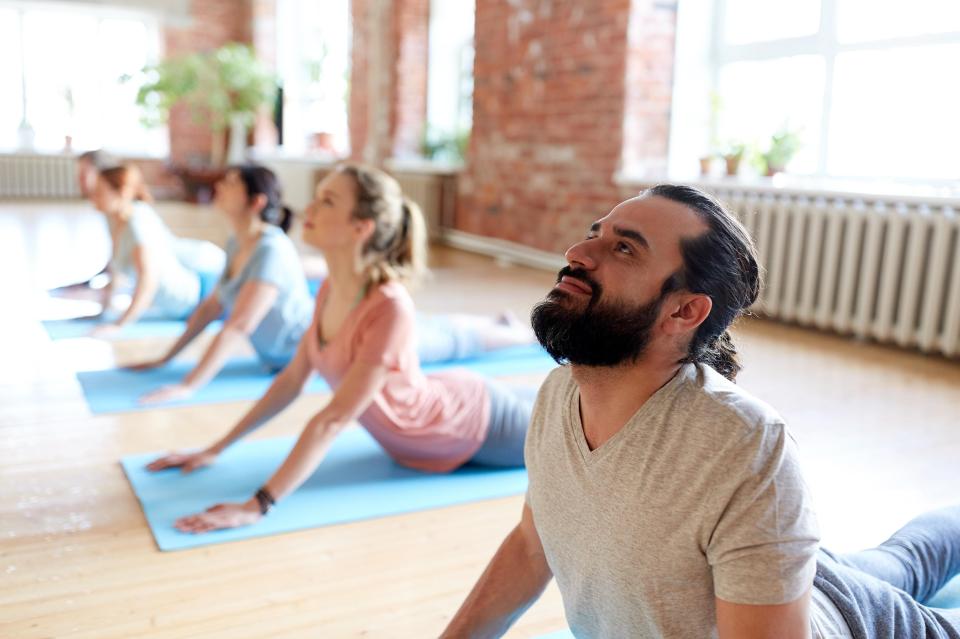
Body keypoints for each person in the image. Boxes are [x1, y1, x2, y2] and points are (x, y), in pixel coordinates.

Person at [441, 185, 960, 638]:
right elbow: (534, 544)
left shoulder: (743, 444)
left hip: (856, 620)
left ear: (685, 311)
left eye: (623, 248)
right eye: (594, 234)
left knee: (904, 571)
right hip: (779, 575)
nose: (577, 252)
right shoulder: (560, 394)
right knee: (907, 559)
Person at [146, 163, 535, 532]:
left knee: (586, 431)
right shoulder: (331, 289)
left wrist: (258, 504)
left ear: (360, 227)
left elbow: (333, 419)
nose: (309, 208)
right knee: (552, 398)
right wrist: (215, 448)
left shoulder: (390, 307)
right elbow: (291, 381)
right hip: (448, 396)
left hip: (470, 425)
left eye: (327, 201)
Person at [130, 164, 535, 404]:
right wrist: (167, 359)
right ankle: (496, 324)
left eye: (232, 183)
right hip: (298, 349)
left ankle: (517, 334)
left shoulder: (270, 250)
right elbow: (212, 307)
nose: (219, 186)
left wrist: (187, 385)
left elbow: (238, 324)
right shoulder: (238, 242)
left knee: (445, 339)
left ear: (255, 201)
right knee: (431, 326)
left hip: (338, 342)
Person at [90, 164, 225, 335]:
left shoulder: (137, 223)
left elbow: (148, 280)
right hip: (182, 294)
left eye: (99, 192)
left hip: (191, 301)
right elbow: (114, 270)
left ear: (122, 192)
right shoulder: (113, 218)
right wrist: (104, 311)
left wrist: (119, 325)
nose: (93, 197)